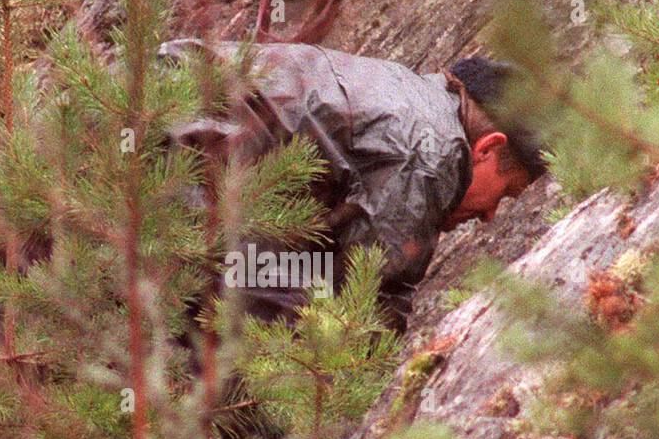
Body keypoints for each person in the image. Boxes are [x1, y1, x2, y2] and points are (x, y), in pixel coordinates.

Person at [160, 41, 547, 329]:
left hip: (152, 111)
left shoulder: (409, 93)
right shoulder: (431, 156)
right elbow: (366, 299)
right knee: (294, 328)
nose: (489, 216)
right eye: (505, 193)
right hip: (174, 170)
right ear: (488, 148)